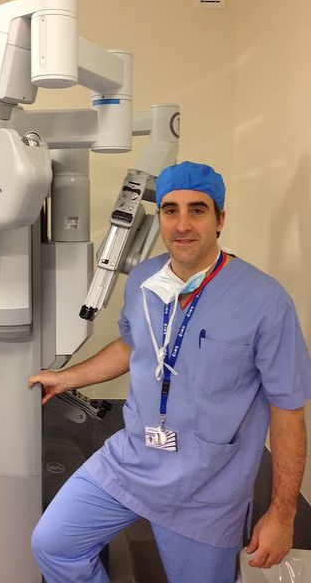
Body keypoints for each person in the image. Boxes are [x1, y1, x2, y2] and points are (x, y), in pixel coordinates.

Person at [28, 161, 311, 583]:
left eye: (197, 210)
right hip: (134, 458)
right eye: (169, 210)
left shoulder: (265, 301)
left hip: (208, 484)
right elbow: (131, 346)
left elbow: (288, 410)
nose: (182, 225)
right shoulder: (144, 279)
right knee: (54, 544)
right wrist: (66, 378)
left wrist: (282, 514)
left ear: (220, 219)